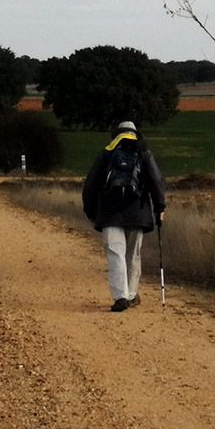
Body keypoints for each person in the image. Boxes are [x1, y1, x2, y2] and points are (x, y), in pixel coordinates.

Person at [82, 121, 167, 313]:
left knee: (116, 254)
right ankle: (131, 295)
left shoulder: (107, 153)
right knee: (133, 255)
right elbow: (155, 180)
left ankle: (120, 296)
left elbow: (91, 184)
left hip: (109, 213)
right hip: (138, 212)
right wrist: (160, 207)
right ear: (135, 134)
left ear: (116, 134)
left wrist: (91, 211)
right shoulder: (143, 152)